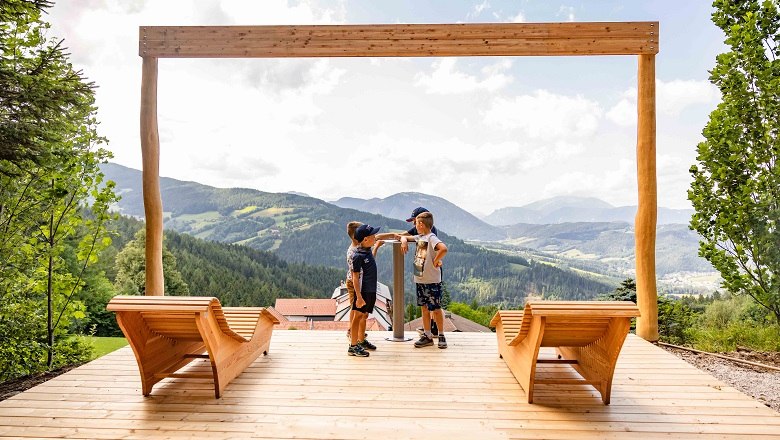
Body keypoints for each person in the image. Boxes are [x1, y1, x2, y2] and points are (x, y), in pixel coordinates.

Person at [400, 211, 449, 349]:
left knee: (436, 309)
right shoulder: (421, 237)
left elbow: (443, 248)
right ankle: (427, 336)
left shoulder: (431, 237)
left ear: (421, 224)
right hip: (420, 279)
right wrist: (404, 239)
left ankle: (441, 334)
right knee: (425, 308)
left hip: (432, 280)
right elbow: (403, 237)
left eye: (416, 224)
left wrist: (436, 260)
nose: (415, 226)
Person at [348, 224, 382, 357]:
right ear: (366, 239)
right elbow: (355, 278)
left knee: (364, 315)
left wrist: (377, 246)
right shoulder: (357, 256)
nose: (375, 237)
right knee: (357, 317)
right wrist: (359, 297)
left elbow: (371, 261)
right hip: (362, 292)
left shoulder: (367, 251)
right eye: (373, 235)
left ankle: (360, 341)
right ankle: (353, 346)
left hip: (370, 290)